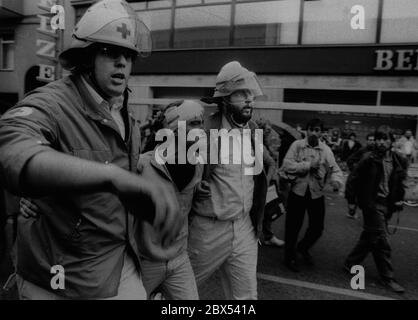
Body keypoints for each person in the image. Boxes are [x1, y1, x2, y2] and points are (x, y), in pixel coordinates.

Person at [0, 0, 180, 300]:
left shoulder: (125, 114)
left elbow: (124, 177)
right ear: (87, 57)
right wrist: (109, 176)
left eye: (128, 54)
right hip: (60, 278)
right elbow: (12, 145)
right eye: (110, 52)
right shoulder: (52, 102)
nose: (122, 62)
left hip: (118, 264)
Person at [189, 61, 271, 300]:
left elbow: (262, 169)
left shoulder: (253, 129)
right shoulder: (203, 132)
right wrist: (195, 186)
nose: (249, 99)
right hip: (207, 229)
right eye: (241, 94)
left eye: (251, 94)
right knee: (179, 293)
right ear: (224, 99)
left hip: (245, 226)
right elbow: (175, 176)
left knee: (246, 298)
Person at [344, 129, 408, 293]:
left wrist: (399, 199)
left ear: (391, 142)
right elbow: (353, 179)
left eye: (384, 139)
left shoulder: (398, 160)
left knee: (369, 236)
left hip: (387, 204)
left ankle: (350, 263)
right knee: (381, 241)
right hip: (371, 204)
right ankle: (387, 277)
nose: (380, 142)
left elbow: (399, 183)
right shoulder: (368, 159)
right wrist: (351, 201)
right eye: (378, 139)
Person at [281, 118, 343, 272]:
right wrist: (307, 165)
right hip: (298, 192)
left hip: (316, 193)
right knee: (293, 227)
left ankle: (302, 248)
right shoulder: (297, 146)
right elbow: (286, 165)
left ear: (321, 133)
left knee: (317, 228)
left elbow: (335, 169)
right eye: (312, 129)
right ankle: (290, 257)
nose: (314, 133)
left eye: (317, 130)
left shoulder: (326, 150)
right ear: (306, 130)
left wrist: (336, 181)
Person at [257, 119, 285, 247]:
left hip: (267, 181)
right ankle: (264, 236)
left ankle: (268, 235)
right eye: (267, 130)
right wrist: (267, 182)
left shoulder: (264, 143)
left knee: (267, 209)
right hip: (262, 182)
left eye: (269, 130)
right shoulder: (258, 144)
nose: (269, 132)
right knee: (262, 211)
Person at [345, 132, 376, 219]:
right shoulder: (362, 150)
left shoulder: (378, 152)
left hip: (372, 180)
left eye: (373, 140)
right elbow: (350, 160)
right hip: (360, 179)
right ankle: (352, 211)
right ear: (367, 141)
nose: (372, 142)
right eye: (370, 140)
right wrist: (355, 170)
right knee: (354, 196)